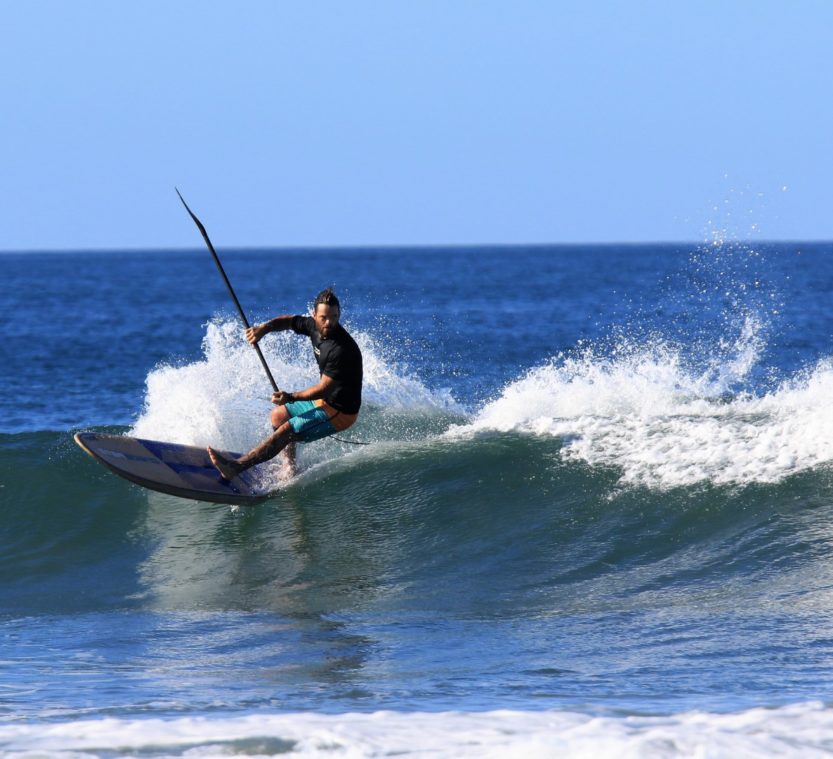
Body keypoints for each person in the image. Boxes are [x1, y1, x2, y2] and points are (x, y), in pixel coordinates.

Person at [208, 288, 363, 480]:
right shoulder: (312, 325)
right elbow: (289, 321)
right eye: (324, 317)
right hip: (324, 401)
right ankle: (289, 468)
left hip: (340, 411)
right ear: (314, 315)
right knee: (278, 416)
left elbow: (324, 388)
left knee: (287, 430)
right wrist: (263, 329)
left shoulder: (341, 349)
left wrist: (290, 397)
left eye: (334, 316)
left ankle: (237, 467)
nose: (329, 322)